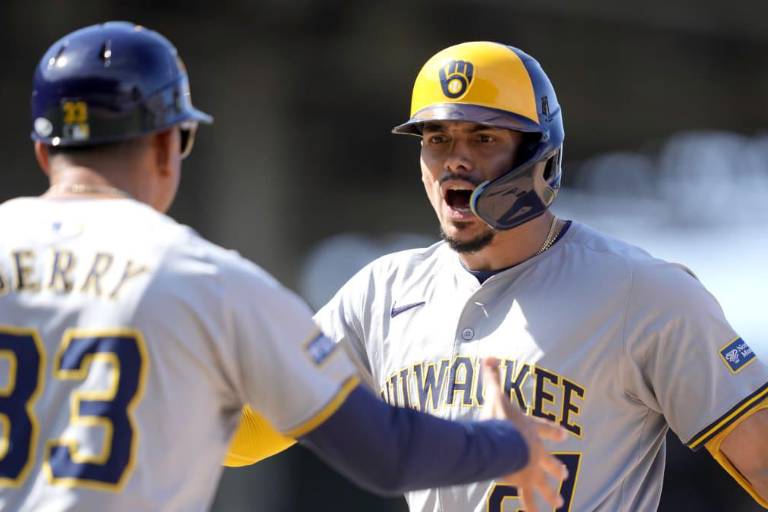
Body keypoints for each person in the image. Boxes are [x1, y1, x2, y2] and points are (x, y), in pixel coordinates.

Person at [0, 26, 570, 511]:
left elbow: (244, 437)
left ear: (44, 153)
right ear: (166, 146)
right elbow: (387, 454)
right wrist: (507, 445)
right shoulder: (211, 283)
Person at [227, 42, 768, 511]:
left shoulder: (642, 291)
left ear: (539, 157)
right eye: (437, 139)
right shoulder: (381, 291)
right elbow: (247, 431)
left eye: (483, 138)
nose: (454, 161)